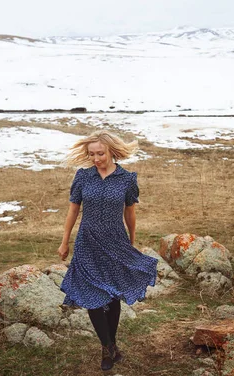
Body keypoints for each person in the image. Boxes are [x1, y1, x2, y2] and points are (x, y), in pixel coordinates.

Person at [57, 130, 158, 371]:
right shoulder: (83, 177)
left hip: (115, 241)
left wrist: (131, 242)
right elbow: (73, 210)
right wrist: (65, 241)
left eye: (100, 153)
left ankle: (111, 345)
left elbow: (129, 213)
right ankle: (107, 346)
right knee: (92, 296)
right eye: (91, 154)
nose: (96, 159)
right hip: (87, 242)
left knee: (113, 297)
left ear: (112, 151)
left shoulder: (127, 179)